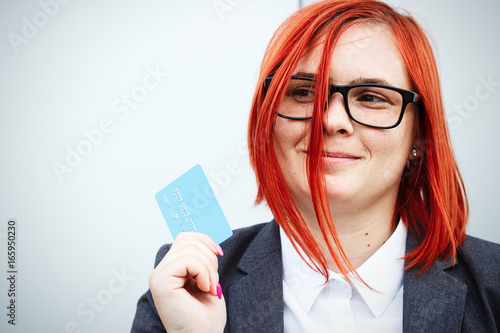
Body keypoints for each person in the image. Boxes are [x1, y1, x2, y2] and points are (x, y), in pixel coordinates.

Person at [131, 0, 500, 332]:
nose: (331, 120)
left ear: (418, 136)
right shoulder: (185, 284)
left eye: (371, 97)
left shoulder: (494, 283)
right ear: (268, 122)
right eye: (304, 91)